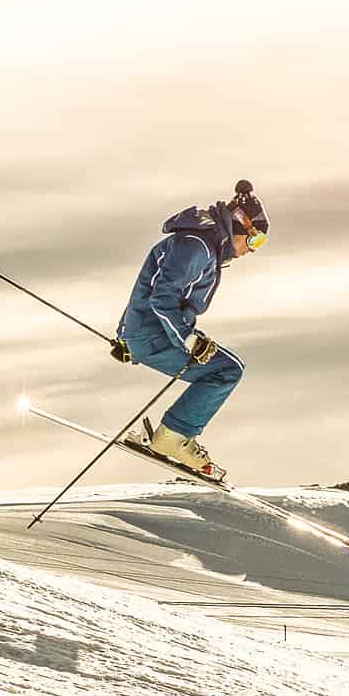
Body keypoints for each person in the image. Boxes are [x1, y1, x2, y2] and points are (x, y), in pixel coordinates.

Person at [112, 180, 268, 482]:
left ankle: (174, 435)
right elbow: (162, 298)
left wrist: (125, 335)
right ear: (240, 224)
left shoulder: (200, 244)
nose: (252, 250)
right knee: (227, 370)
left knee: (223, 368)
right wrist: (188, 339)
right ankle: (173, 437)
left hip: (146, 333)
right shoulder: (196, 247)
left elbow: (149, 286)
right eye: (255, 241)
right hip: (155, 333)